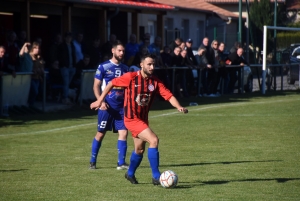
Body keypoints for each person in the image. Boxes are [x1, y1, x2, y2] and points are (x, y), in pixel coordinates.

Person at [90, 53, 188, 185]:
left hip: (142, 119)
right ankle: (156, 176)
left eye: (153, 64)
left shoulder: (155, 82)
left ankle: (130, 173)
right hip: (131, 119)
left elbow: (169, 96)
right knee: (154, 140)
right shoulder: (131, 77)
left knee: (139, 150)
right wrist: (99, 100)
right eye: (149, 64)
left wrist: (179, 106)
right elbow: (111, 83)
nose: (152, 67)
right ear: (141, 65)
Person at [89, 40, 129, 170]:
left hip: (121, 107)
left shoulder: (125, 69)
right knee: (100, 134)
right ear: (113, 51)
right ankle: (92, 161)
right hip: (106, 106)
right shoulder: (103, 67)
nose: (122, 53)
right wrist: (100, 101)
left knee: (124, 132)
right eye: (119, 50)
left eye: (123, 51)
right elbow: (96, 86)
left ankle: (121, 163)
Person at [19, 42, 45, 106]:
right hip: (30, 78)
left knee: (36, 92)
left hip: (37, 78)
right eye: (35, 48)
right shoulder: (28, 56)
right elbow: (20, 55)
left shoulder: (39, 57)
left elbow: (41, 67)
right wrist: (24, 45)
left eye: (38, 48)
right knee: (34, 91)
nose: (37, 50)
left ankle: (31, 106)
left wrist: (41, 72)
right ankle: (29, 105)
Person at [57, 32, 76, 104]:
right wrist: (62, 64)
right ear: (65, 38)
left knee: (67, 83)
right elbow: (60, 56)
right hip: (65, 67)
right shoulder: (62, 46)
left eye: (70, 37)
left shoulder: (72, 45)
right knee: (66, 83)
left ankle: (63, 96)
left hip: (72, 67)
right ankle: (65, 98)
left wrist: (74, 66)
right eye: (67, 37)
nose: (69, 39)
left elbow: (74, 55)